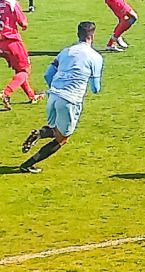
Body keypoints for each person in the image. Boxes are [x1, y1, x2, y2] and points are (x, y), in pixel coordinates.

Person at [20, 21, 104, 174]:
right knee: (63, 138)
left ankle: (40, 134)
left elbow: (48, 75)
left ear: (78, 34)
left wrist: (57, 88)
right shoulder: (95, 57)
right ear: (92, 36)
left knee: (56, 129)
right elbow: (95, 89)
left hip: (53, 96)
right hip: (70, 100)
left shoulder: (66, 52)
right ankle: (28, 164)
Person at [0, 0, 44, 110]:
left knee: (19, 70)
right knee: (25, 70)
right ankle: (6, 93)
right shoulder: (11, 3)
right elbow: (23, 23)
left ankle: (31, 96)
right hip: (11, 41)